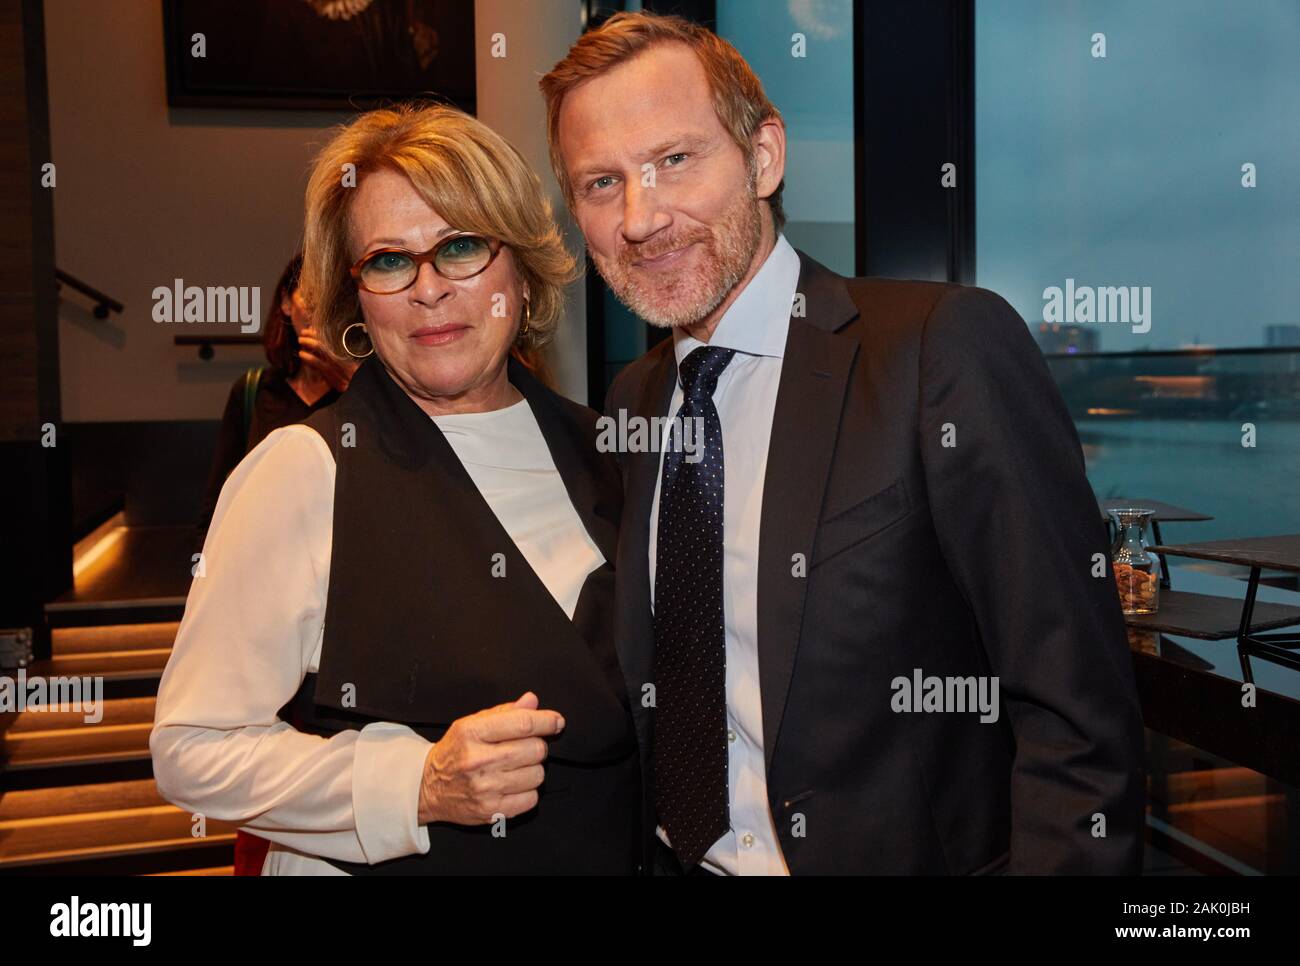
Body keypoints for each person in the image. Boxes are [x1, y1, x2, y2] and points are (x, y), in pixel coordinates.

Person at [540, 11, 1146, 875]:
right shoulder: (636, 401)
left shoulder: (940, 350)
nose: (641, 218)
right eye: (601, 183)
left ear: (764, 157)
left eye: (674, 160)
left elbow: (1078, 718)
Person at [151, 103, 643, 874]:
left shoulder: (607, 449)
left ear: (519, 264)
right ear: (356, 297)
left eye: (461, 246)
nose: (428, 289)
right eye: (388, 260)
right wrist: (414, 785)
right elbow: (191, 749)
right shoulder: (306, 471)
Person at [195, 253, 356, 544]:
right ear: (286, 303)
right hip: (266, 556)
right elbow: (219, 499)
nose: (319, 307)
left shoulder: (364, 393)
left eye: (330, 294)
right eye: (309, 294)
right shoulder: (253, 390)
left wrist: (350, 386)